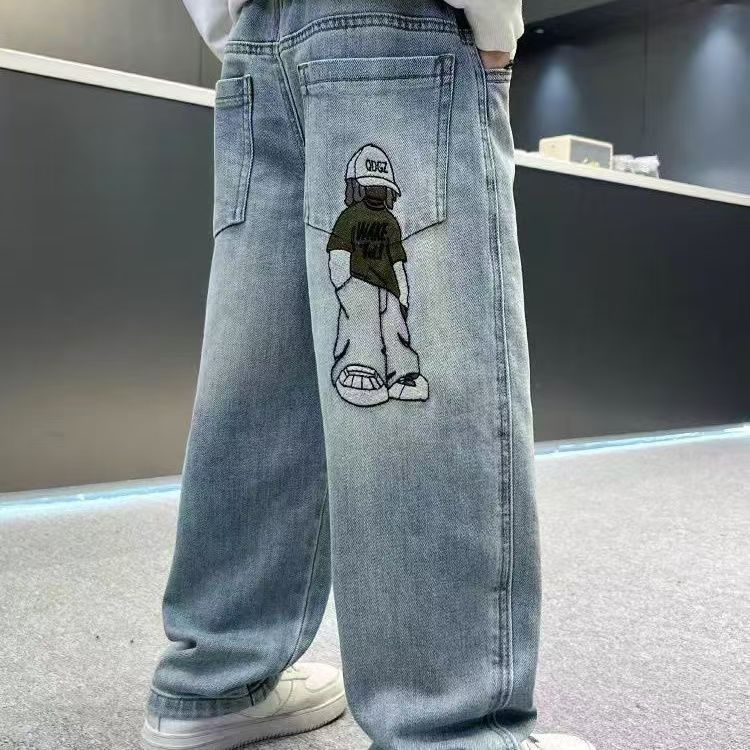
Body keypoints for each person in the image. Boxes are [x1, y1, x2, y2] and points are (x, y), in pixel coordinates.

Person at [141, 2, 595, 749]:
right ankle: (448, 725)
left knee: (261, 369)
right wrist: (492, 24)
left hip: (259, 41)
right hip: (398, 26)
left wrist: (242, 29)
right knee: (423, 402)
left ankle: (217, 676)